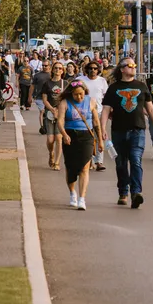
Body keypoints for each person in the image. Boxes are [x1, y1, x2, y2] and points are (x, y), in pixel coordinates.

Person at [100, 58, 153, 208]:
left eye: (134, 65)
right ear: (122, 69)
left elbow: (151, 109)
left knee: (135, 160)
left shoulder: (141, 86)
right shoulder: (113, 88)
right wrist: (102, 129)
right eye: (130, 65)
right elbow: (106, 110)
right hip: (118, 130)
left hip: (137, 130)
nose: (133, 67)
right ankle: (123, 192)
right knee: (120, 163)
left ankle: (136, 193)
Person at [57, 82, 102, 211]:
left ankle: (82, 198)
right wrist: (64, 134)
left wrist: (100, 140)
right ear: (71, 93)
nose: (79, 97)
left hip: (86, 135)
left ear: (85, 92)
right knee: (70, 167)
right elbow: (60, 121)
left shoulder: (91, 102)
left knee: (84, 167)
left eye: (81, 94)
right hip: (70, 135)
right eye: (76, 94)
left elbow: (96, 122)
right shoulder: (65, 103)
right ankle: (72, 192)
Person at [82, 62, 109, 171]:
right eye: (91, 68)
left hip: (99, 112)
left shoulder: (102, 81)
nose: (93, 70)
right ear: (87, 69)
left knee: (100, 136)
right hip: (84, 113)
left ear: (98, 70)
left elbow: (106, 96)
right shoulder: (81, 80)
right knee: (88, 138)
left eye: (95, 68)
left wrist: (109, 109)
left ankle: (99, 162)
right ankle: (89, 160)